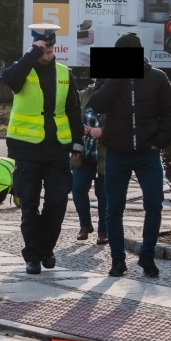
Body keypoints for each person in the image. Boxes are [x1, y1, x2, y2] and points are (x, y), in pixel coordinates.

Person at [88, 33, 171, 278]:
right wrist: (116, 79)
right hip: (116, 152)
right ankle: (118, 259)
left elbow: (170, 110)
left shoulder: (157, 77)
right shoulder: (107, 76)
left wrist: (160, 142)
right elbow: (97, 104)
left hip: (148, 153)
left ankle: (147, 255)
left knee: (154, 204)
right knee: (114, 207)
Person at [3, 24, 83, 275]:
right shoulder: (22, 69)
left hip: (56, 149)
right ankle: (33, 255)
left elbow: (73, 110)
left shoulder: (64, 73)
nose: (46, 57)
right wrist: (32, 54)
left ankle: (46, 249)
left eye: (49, 52)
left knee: (57, 201)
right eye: (42, 51)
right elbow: (10, 80)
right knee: (29, 203)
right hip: (26, 150)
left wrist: (77, 143)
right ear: (34, 48)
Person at [71, 79, 108, 245]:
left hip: (106, 154)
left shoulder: (116, 93)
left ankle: (103, 231)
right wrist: (80, 128)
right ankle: (85, 225)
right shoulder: (85, 94)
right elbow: (73, 117)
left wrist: (103, 131)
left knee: (104, 194)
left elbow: (122, 122)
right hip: (85, 152)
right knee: (78, 187)